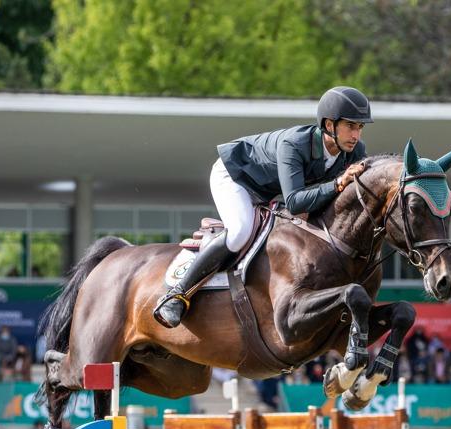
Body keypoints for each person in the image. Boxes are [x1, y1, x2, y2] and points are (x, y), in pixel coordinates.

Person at [153, 86, 373, 328]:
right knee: (239, 233)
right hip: (235, 177)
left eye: (360, 128)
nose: (356, 135)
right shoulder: (295, 144)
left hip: (267, 192)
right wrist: (339, 183)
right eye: (351, 126)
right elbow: (296, 202)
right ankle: (177, 294)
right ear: (329, 125)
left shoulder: (354, 152)